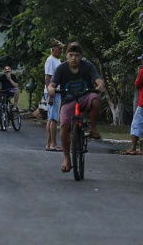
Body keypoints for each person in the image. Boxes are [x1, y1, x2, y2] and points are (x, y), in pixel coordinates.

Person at [48, 42, 106, 173]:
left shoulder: (88, 66)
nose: (74, 58)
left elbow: (97, 79)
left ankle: (92, 128)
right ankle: (67, 158)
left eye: (77, 55)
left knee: (96, 100)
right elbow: (52, 83)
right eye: (71, 55)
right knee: (63, 128)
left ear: (81, 56)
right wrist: (51, 89)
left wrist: (100, 85)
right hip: (68, 100)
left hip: (85, 97)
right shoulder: (61, 68)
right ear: (67, 56)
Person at [44, 40, 64, 151]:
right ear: (53, 49)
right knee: (53, 118)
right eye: (59, 48)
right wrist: (51, 93)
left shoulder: (57, 60)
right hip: (53, 92)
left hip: (56, 91)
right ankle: (53, 144)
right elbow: (48, 78)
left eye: (61, 49)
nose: (61, 51)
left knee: (51, 118)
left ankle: (49, 143)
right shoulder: (50, 61)